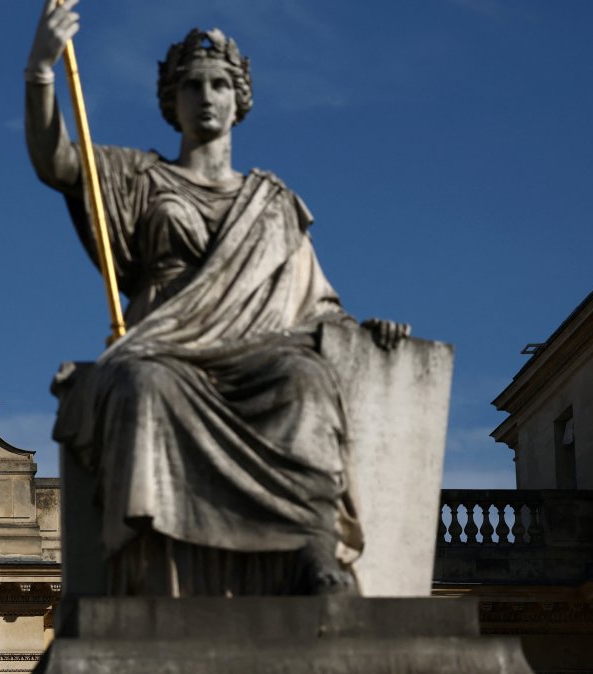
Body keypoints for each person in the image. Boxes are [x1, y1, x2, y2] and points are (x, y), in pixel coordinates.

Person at [25, 0, 409, 596]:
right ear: (170, 101)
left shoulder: (273, 201)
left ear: (240, 99)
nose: (207, 96)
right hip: (165, 346)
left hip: (260, 349)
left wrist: (367, 333)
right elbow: (57, 162)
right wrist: (42, 71)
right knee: (140, 387)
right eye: (193, 86)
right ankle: (150, 567)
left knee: (306, 382)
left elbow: (318, 304)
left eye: (220, 84)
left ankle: (311, 554)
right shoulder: (137, 175)